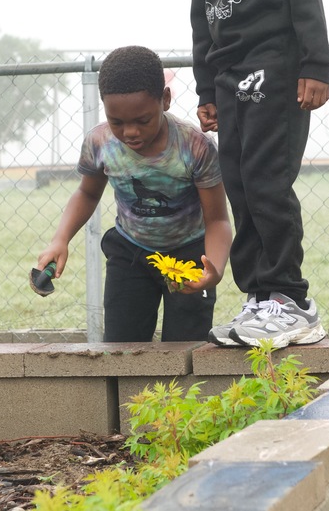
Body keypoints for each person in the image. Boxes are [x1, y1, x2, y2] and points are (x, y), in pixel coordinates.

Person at [162, 0, 329, 348]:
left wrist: (315, 63)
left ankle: (291, 300)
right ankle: (260, 298)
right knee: (238, 183)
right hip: (229, 76)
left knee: (266, 181)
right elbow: (201, 20)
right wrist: (207, 89)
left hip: (275, 69)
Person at [35, 45, 232, 342]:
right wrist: (60, 239)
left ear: (165, 100)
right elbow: (87, 194)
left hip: (188, 257)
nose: (130, 132)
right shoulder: (100, 142)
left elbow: (217, 219)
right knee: (121, 349)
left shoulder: (195, 146)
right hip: (130, 253)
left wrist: (214, 268)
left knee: (185, 349)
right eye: (117, 122)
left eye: (142, 120)